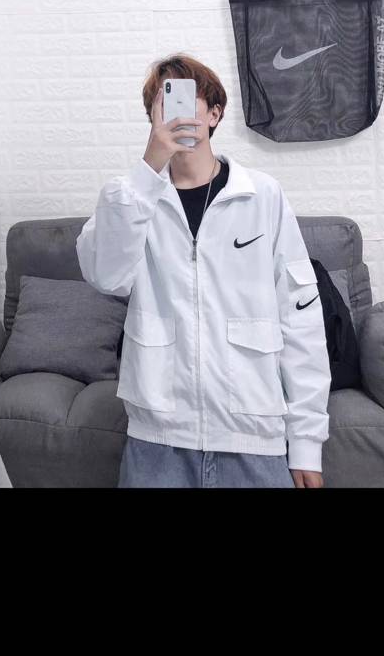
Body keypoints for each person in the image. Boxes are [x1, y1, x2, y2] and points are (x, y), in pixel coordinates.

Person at [76, 54, 331, 488]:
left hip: (253, 435)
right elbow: (106, 276)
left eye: (186, 96)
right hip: (158, 439)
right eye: (163, 100)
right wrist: (148, 169)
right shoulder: (133, 200)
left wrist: (306, 441)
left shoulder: (262, 196)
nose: (173, 109)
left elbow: (300, 319)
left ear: (214, 113)